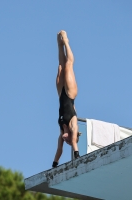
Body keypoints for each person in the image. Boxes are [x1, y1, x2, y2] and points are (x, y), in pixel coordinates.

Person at [52, 30, 80, 168]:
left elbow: (59, 150)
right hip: (70, 93)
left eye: (67, 142)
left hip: (60, 94)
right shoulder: (72, 125)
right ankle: (67, 43)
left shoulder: (61, 131)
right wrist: (76, 154)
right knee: (68, 66)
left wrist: (54, 164)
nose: (67, 141)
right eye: (69, 141)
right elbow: (74, 141)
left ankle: (59, 44)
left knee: (61, 68)